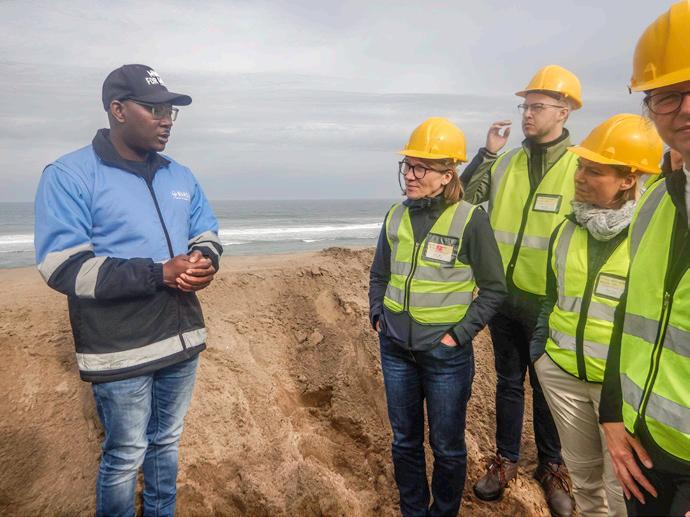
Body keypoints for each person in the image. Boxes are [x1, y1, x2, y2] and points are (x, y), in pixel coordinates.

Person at [34, 64, 222, 517]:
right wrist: (159, 273)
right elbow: (64, 267)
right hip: (119, 350)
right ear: (118, 110)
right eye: (155, 110)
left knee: (166, 443)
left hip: (182, 340)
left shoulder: (180, 175)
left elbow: (207, 232)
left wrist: (204, 261)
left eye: (171, 111)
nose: (167, 120)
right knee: (125, 455)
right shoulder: (69, 174)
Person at [369, 117, 507, 516]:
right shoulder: (395, 215)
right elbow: (379, 274)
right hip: (396, 349)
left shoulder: (469, 219)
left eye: (421, 168)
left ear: (447, 175)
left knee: (447, 447)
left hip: (446, 355)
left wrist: (458, 335)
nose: (410, 175)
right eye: (407, 165)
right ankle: (413, 511)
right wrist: (378, 314)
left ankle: (443, 512)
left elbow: (494, 288)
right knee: (404, 442)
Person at [462, 65, 582, 516]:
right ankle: (506, 460)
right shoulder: (506, 162)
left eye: (537, 106)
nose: (527, 114)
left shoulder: (579, 165)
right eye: (524, 107)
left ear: (563, 111)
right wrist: (487, 153)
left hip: (551, 302)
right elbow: (464, 198)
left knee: (548, 387)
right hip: (503, 298)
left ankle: (552, 467)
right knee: (509, 383)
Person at [530, 114, 663, 516]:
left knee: (622, 492)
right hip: (563, 376)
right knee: (585, 482)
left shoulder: (651, 236)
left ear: (627, 179)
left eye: (594, 170)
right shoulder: (565, 230)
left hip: (621, 392)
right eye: (581, 166)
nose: (579, 177)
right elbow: (551, 299)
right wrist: (541, 355)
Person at [599, 2, 690, 516]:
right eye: (668, 95)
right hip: (646, 445)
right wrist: (612, 414)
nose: (686, 108)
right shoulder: (655, 200)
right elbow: (633, 312)